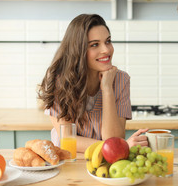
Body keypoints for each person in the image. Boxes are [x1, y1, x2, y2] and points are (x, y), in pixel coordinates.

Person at [38, 14, 148, 152]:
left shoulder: (121, 80)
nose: (106, 50)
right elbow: (67, 139)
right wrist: (120, 146)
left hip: (105, 163)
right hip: (69, 160)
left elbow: (113, 138)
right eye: (94, 45)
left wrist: (107, 88)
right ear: (78, 50)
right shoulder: (58, 80)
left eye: (108, 41)